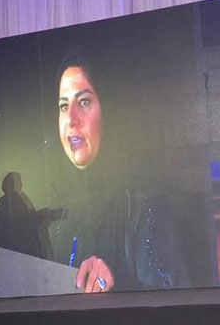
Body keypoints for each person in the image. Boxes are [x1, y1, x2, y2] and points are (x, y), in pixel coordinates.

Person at [55, 52, 189, 293]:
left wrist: (116, 286)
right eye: (64, 106)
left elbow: (169, 293)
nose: (71, 119)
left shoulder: (142, 202)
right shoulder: (62, 209)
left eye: (84, 102)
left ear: (108, 109)